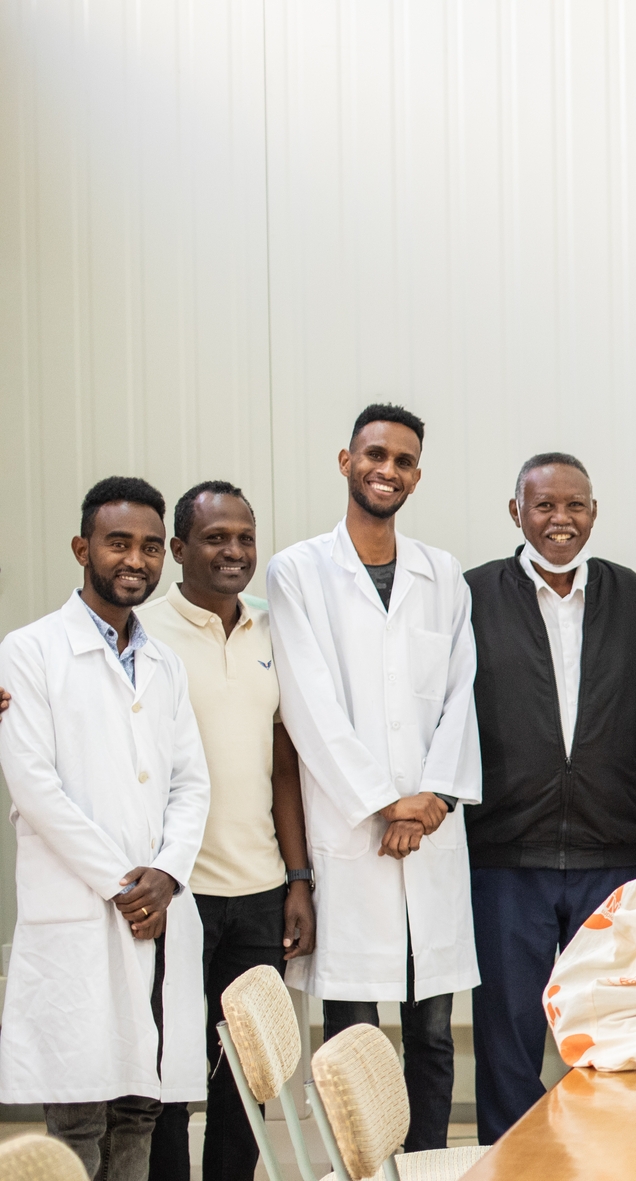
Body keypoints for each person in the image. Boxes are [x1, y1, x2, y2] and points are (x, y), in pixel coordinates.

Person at [267, 403, 480, 1152]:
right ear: (345, 461)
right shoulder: (297, 572)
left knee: (430, 1033)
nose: (386, 469)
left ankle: (424, 1165)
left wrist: (427, 805)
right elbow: (309, 710)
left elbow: (461, 695)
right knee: (353, 1036)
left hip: (426, 837)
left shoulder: (442, 574)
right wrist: (391, 801)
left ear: (416, 474)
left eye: (402, 460)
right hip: (355, 837)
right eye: (374, 454)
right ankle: (363, 1168)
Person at [0, 478, 210, 1181]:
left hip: (156, 909)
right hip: (87, 913)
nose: (137, 560)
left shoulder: (165, 662)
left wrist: (169, 871)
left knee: (140, 1110)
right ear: (81, 548)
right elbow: (35, 788)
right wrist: (127, 885)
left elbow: (191, 782)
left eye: (151, 546)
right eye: (119, 543)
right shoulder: (28, 652)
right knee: (80, 1117)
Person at [464, 453, 636, 1144]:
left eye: (574, 505)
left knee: (610, 1034)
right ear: (515, 511)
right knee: (508, 1037)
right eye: (544, 505)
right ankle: (511, 1160)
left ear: (593, 512)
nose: (560, 519)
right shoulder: (473, 595)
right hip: (504, 856)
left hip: (608, 855)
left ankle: (608, 1158)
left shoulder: (630, 597)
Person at [140, 482, 316, 1181]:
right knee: (172, 1077)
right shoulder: (143, 630)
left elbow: (284, 768)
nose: (235, 550)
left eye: (245, 536)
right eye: (216, 538)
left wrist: (297, 880)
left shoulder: (272, 628)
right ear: (180, 549)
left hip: (261, 891)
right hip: (178, 892)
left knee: (248, 1080)